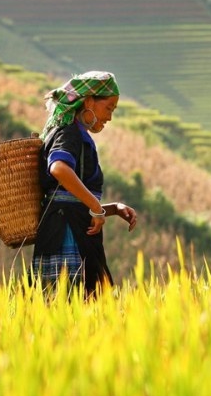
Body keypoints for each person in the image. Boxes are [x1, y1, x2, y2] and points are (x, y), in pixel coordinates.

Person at [32, 71, 137, 298]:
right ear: (89, 101)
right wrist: (96, 208)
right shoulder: (68, 132)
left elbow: (69, 197)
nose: (109, 117)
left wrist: (110, 208)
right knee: (74, 306)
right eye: (108, 108)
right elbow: (58, 168)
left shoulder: (76, 134)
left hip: (69, 224)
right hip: (65, 234)